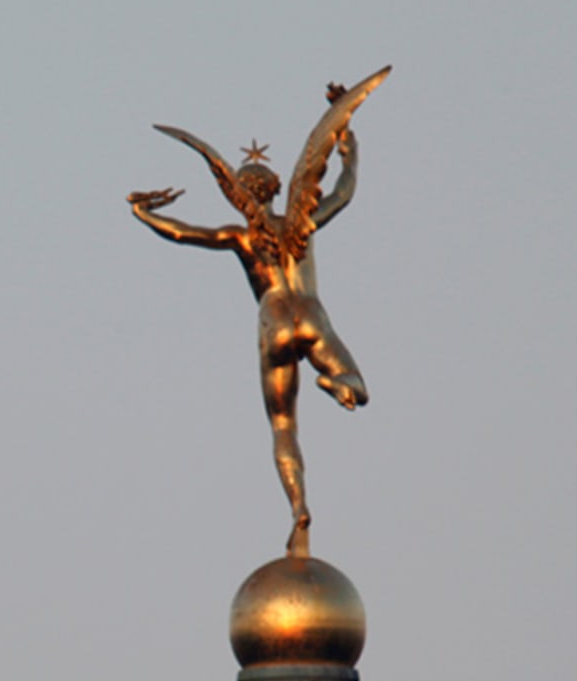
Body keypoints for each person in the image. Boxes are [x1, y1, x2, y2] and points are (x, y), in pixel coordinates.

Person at [128, 69, 388, 558]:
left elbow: (185, 233)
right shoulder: (301, 222)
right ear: (274, 188)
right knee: (359, 386)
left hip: (272, 321)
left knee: (284, 426)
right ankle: (334, 382)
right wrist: (348, 141)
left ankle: (298, 509)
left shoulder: (241, 235)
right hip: (310, 313)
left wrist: (144, 213)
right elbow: (344, 192)